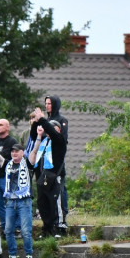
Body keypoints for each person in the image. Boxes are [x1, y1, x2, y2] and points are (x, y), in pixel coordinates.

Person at [27, 108, 67, 238]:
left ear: (58, 130)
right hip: (42, 176)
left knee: (54, 202)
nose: (50, 130)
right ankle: (47, 228)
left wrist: (43, 120)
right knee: (42, 203)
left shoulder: (60, 141)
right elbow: (33, 135)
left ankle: (57, 227)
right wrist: (36, 122)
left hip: (54, 176)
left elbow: (53, 133)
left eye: (53, 128)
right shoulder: (44, 141)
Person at [45, 95, 71, 235]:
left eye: (49, 103)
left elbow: (62, 141)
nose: (47, 106)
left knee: (59, 193)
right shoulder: (46, 121)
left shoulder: (62, 120)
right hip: (45, 163)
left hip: (57, 163)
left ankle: (61, 223)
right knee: (47, 195)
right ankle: (49, 223)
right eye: (46, 103)